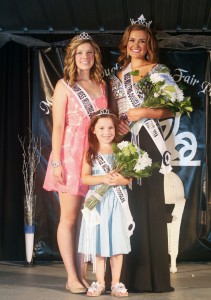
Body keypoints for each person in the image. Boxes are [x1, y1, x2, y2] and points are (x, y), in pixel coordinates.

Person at [108, 21, 175, 292]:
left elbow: (170, 109)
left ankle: (154, 278)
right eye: (132, 40)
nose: (137, 45)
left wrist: (143, 113)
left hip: (150, 142)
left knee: (151, 205)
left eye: (142, 41)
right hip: (125, 144)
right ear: (126, 43)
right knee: (127, 207)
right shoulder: (115, 77)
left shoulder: (158, 71)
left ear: (149, 45)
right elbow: (114, 114)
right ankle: (126, 277)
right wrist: (120, 124)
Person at [43, 32, 108, 293]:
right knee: (69, 218)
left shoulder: (102, 84)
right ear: (73, 56)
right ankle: (71, 277)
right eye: (80, 53)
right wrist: (56, 161)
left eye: (89, 53)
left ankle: (82, 275)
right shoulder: (63, 85)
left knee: (87, 219)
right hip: (69, 155)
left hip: (94, 156)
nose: (85, 57)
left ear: (95, 57)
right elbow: (57, 125)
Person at [78, 109, 131, 297]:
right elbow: (85, 178)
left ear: (116, 130)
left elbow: (128, 179)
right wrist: (103, 178)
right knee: (98, 244)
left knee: (117, 242)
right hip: (98, 202)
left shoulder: (122, 150)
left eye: (110, 127)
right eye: (101, 128)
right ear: (93, 129)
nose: (106, 132)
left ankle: (116, 283)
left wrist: (118, 180)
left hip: (117, 201)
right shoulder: (90, 152)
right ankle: (100, 282)